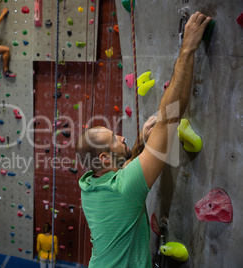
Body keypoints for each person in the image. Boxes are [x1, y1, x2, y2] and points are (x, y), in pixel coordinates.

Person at [75, 12, 212, 267]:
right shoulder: (124, 188)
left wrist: (138, 143)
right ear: (104, 158)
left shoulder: (89, 186)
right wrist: (187, 48)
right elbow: (169, 119)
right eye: (115, 139)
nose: (121, 136)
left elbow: (122, 172)